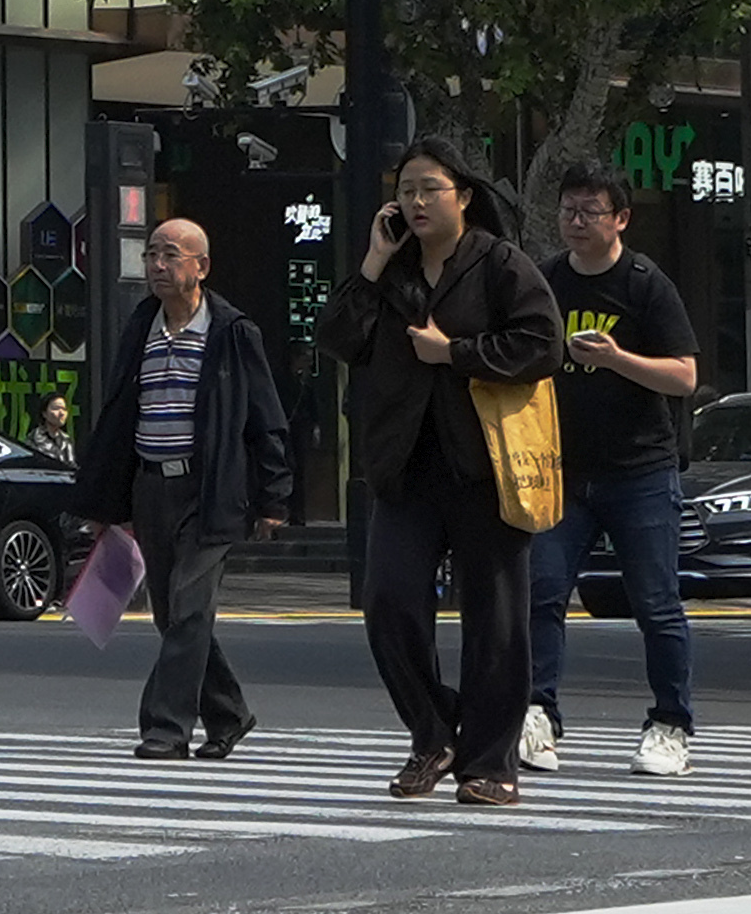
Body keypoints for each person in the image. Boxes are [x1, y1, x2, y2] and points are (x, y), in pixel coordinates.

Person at [326, 135, 565, 807]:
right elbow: (340, 338)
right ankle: (433, 734)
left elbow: (543, 344)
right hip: (405, 468)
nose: (416, 201)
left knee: (497, 622)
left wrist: (455, 353)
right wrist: (373, 261)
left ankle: (491, 762)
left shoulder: (499, 264)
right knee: (389, 605)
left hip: (486, 469)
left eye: (430, 188)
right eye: (405, 190)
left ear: (463, 195)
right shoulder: (392, 272)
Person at [74, 213, 296, 762]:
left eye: (170, 254)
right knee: (171, 616)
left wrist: (274, 496)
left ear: (202, 267)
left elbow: (265, 418)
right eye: (152, 254)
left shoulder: (232, 332)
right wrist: (108, 499)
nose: (158, 265)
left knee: (191, 608)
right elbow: (118, 416)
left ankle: (165, 727)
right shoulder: (140, 327)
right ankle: (229, 713)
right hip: (152, 486)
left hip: (210, 491)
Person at [520, 171, 703, 775]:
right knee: (542, 592)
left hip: (640, 470)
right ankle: (537, 713)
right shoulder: (546, 280)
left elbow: (684, 377)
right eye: (569, 210)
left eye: (590, 212)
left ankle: (670, 724)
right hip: (563, 470)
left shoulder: (646, 285)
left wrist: (617, 358)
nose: (576, 222)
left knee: (656, 603)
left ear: (620, 218)